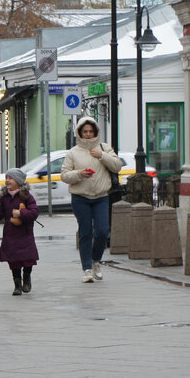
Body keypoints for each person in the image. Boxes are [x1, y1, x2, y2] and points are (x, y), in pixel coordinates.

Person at [63, 116, 123, 283]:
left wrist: (102, 156)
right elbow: (64, 175)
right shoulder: (73, 152)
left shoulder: (104, 148)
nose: (88, 134)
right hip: (80, 197)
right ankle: (87, 269)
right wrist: (79, 174)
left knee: (103, 231)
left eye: (91, 131)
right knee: (85, 232)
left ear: (96, 132)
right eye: (85, 132)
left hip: (101, 197)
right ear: (80, 133)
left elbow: (117, 166)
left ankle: (96, 260)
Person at [0, 168, 40, 295]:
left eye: (10, 178)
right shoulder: (4, 198)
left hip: (25, 233)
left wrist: (21, 213)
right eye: (6, 178)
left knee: (28, 259)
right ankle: (17, 285)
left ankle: (27, 278)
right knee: (13, 261)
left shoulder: (27, 197)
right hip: (10, 234)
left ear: (18, 181)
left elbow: (34, 212)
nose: (7, 180)